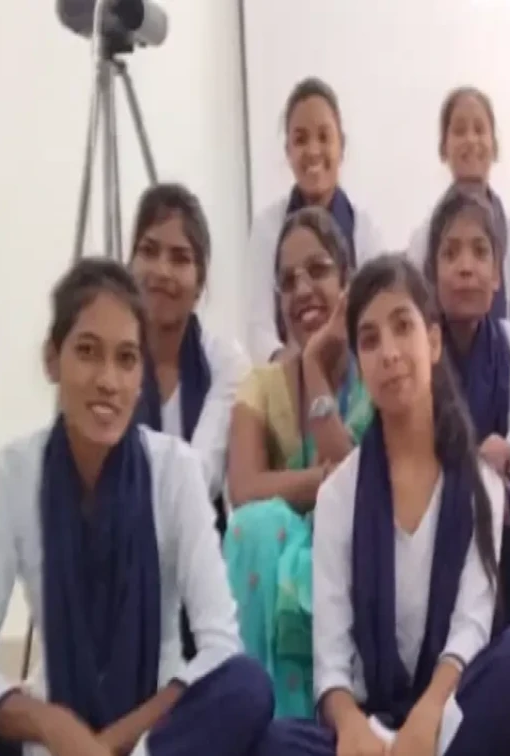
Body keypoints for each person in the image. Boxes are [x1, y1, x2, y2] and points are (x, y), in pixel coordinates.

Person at [0, 259, 272, 756]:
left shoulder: (175, 472)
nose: (108, 381)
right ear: (52, 359)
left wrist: (102, 749)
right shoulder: (14, 474)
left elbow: (220, 648)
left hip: (153, 752)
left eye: (126, 359)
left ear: (142, 375)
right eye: (88, 352)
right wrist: (58, 731)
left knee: (246, 690)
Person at [254, 254, 510, 756]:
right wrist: (353, 729)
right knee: (273, 754)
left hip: (448, 716)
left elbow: (472, 627)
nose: (390, 352)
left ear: (434, 340)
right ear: (359, 361)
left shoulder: (481, 485)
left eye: (403, 327)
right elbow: (332, 662)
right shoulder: (340, 494)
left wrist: (423, 726)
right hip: (372, 728)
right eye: (370, 340)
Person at [226, 207, 375, 721]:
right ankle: (260, 721)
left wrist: (314, 363)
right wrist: (321, 481)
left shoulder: (377, 370)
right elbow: (244, 488)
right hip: (278, 570)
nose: (303, 290)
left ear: (347, 281)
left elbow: (359, 490)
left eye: (317, 271)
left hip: (364, 548)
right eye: (288, 281)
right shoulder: (260, 385)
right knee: (254, 527)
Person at [424, 187, 510, 637]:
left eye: (480, 252)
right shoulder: (421, 349)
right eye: (450, 253)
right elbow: (419, 445)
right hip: (437, 497)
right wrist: (475, 461)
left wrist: (500, 471)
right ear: (433, 272)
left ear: (497, 275)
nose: (466, 266)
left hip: (503, 502)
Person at [245, 77, 382, 363]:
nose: (313, 151)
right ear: (288, 152)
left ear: (341, 145)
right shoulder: (267, 228)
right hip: (287, 374)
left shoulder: (364, 229)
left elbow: (375, 316)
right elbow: (259, 328)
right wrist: (296, 370)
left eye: (323, 137)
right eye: (300, 140)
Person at [130, 183, 249, 502]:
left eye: (180, 258)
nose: (161, 271)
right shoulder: (111, 362)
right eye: (149, 251)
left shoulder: (226, 363)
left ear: (200, 282)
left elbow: (199, 479)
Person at [407, 86, 510, 335]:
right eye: (459, 131)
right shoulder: (421, 243)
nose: (470, 139)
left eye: (479, 130)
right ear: (443, 148)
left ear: (494, 146)